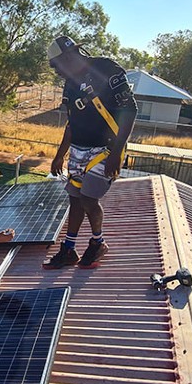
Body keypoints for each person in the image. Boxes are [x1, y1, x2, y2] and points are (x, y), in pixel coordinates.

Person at [43, 36, 137, 270]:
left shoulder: (107, 69)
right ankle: (69, 249)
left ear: (67, 57)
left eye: (55, 65)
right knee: (74, 199)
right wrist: (60, 154)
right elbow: (71, 123)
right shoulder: (70, 83)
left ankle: (98, 243)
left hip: (104, 150)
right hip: (78, 149)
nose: (56, 71)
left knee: (87, 198)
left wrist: (116, 153)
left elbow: (130, 110)